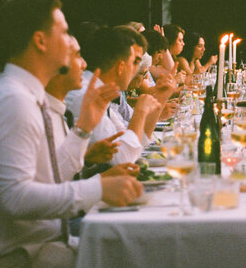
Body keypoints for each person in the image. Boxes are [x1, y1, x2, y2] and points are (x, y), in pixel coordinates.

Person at [0, 0, 142, 268]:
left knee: (134, 247)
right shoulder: (12, 101)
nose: (72, 40)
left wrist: (85, 126)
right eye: (65, 31)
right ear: (40, 41)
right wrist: (98, 188)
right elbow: (14, 198)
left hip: (39, 248)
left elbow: (50, 174)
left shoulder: (27, 95)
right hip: (15, 265)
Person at [66, 25, 171, 165]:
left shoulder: (103, 93)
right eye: (135, 62)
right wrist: (140, 112)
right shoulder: (86, 95)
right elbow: (120, 158)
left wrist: (161, 99)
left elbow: (137, 142)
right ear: (121, 66)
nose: (136, 70)